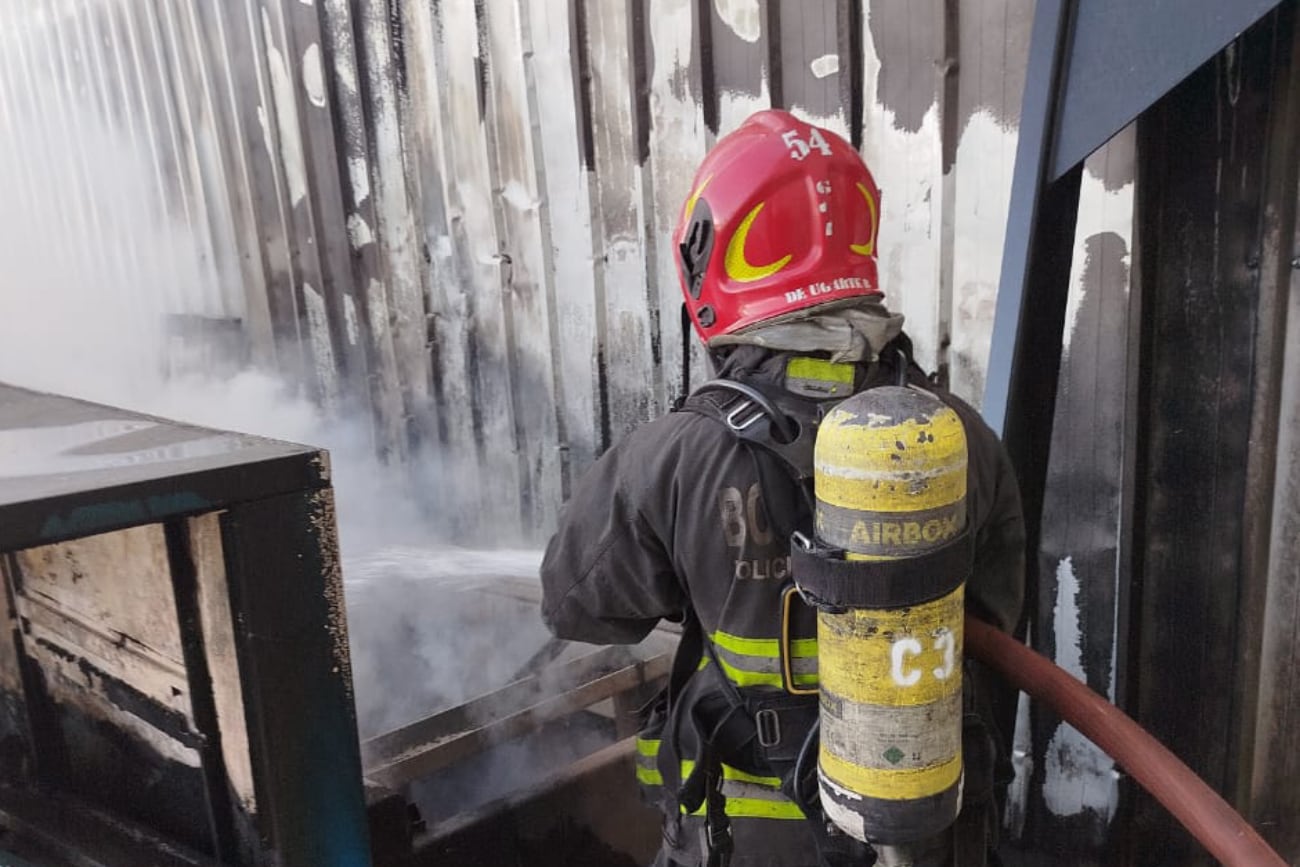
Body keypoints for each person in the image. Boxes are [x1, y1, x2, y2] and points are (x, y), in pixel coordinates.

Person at [540, 110, 1025, 867]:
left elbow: (573, 601)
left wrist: (700, 559)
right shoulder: (960, 440)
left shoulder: (674, 457)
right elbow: (997, 627)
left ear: (715, 256)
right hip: (934, 839)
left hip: (750, 846)